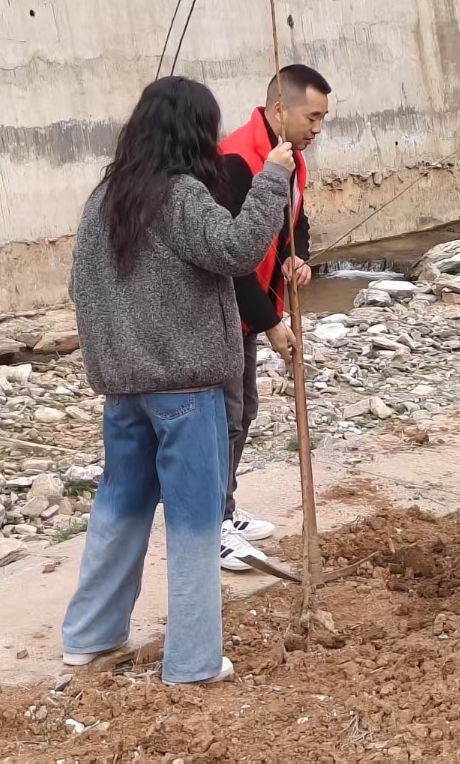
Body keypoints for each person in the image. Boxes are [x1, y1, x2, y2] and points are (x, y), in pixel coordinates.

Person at [61, 75, 295, 684]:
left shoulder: (105, 197)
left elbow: (81, 289)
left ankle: (89, 636)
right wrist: (274, 177)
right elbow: (237, 250)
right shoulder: (182, 195)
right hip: (186, 391)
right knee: (195, 523)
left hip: (124, 390)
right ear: (194, 132)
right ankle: (192, 662)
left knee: (119, 508)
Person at [216, 63, 330, 571]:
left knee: (243, 412)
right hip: (226, 309)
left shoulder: (289, 157)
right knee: (227, 417)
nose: (317, 129)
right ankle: (212, 524)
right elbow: (233, 257)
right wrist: (270, 323)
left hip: (254, 304)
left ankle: (225, 506)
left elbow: (293, 220)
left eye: (323, 119)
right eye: (312, 117)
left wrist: (294, 256)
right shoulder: (238, 159)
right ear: (280, 110)